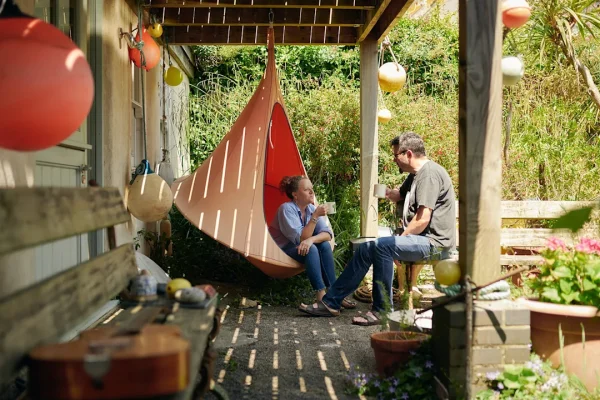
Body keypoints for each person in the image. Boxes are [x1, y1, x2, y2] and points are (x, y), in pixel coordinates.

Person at [302, 132, 456, 325]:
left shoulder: (429, 175)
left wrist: (401, 241)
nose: (394, 160)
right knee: (366, 248)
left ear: (408, 153)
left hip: (435, 244)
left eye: (396, 155)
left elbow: (422, 219)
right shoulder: (415, 175)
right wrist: (386, 193)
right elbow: (399, 195)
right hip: (422, 240)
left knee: (383, 246)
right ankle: (331, 302)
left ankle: (381, 311)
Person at [269, 175, 356, 310]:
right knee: (312, 249)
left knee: (324, 245)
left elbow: (327, 235)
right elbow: (301, 239)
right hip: (281, 250)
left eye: (312, 189)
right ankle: (321, 297)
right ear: (295, 195)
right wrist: (315, 217)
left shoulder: (310, 209)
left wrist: (311, 239)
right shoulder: (286, 209)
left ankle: (334, 294)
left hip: (300, 246)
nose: (312, 192)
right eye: (306, 189)